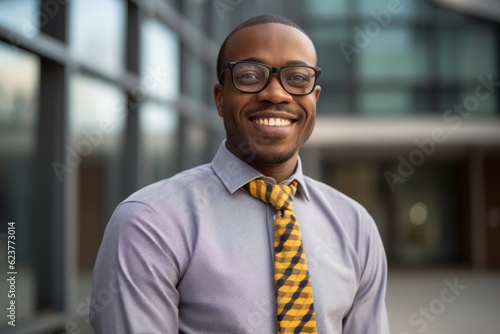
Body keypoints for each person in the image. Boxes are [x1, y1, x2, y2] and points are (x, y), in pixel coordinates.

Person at [91, 14, 389, 334]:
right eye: (249, 75)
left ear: (314, 98)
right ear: (221, 99)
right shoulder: (150, 223)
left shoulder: (355, 225)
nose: (276, 94)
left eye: (298, 78)